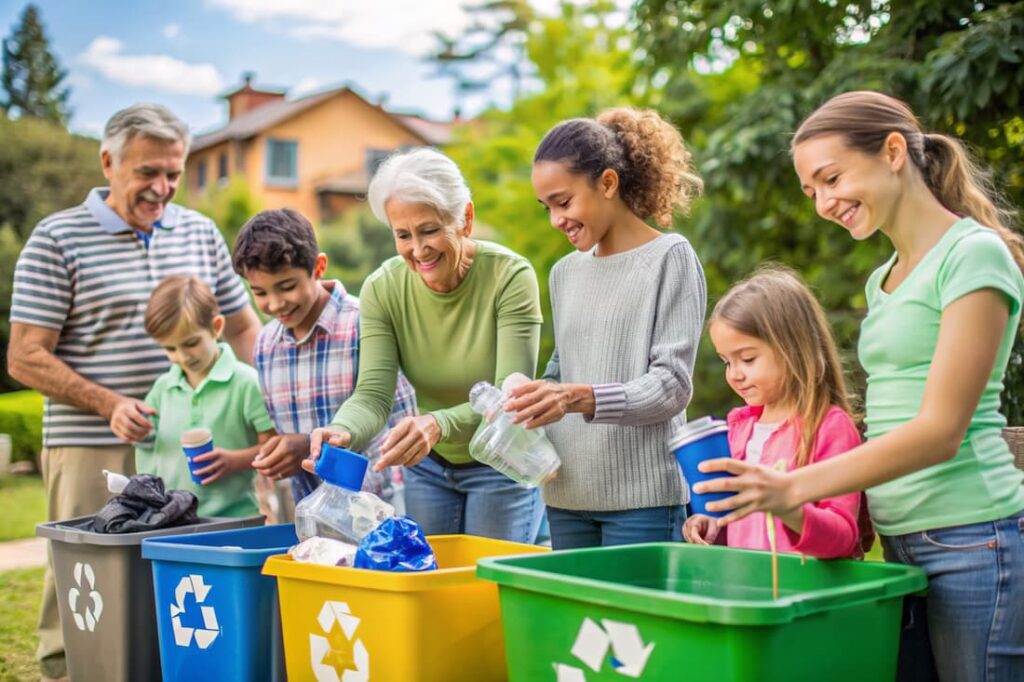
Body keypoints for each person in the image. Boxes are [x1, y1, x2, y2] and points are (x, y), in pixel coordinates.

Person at [696, 91, 1024, 680]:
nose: (824, 202)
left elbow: (940, 432)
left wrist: (791, 486)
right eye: (811, 191)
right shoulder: (885, 280)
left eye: (832, 178)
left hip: (974, 537)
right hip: (901, 541)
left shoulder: (972, 255)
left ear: (893, 151)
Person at [7, 103, 261, 681]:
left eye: (174, 172)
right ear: (108, 162)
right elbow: (24, 355)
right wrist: (109, 404)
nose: (163, 187)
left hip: (188, 446)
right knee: (84, 574)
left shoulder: (199, 231)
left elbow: (244, 328)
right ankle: (70, 671)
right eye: (148, 172)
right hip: (92, 441)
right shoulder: (57, 238)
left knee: (176, 577)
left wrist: (271, 411)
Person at [308, 147, 545, 543]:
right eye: (403, 235)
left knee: (483, 590)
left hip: (503, 462)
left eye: (430, 230)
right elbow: (372, 395)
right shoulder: (383, 288)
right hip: (429, 468)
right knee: (430, 585)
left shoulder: (510, 276)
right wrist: (342, 430)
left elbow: (511, 398)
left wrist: (438, 424)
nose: (418, 251)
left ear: (465, 219)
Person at [504, 108, 707, 549]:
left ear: (609, 183)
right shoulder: (563, 273)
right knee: (576, 622)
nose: (556, 220)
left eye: (564, 202)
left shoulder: (670, 257)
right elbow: (564, 370)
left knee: (637, 620)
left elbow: (672, 386)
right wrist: (530, 396)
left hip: (645, 502)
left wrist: (580, 397)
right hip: (566, 495)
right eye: (547, 208)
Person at [233, 208, 417, 507]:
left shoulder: (365, 324)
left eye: (287, 286)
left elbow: (401, 426)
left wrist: (309, 447)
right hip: (315, 517)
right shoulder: (266, 345)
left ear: (318, 267)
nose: (275, 303)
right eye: (259, 292)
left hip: (381, 508)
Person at [682, 267, 866, 558]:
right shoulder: (739, 429)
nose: (735, 375)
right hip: (748, 590)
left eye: (747, 359)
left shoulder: (829, 427)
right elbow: (745, 518)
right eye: (726, 362)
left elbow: (842, 537)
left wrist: (787, 506)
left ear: (793, 348)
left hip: (802, 595)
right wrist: (715, 523)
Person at [134, 275, 273, 516]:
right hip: (171, 519)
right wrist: (134, 427)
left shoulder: (246, 383)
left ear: (216, 327)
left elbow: (272, 445)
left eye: (191, 343)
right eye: (170, 348)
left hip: (234, 518)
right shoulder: (163, 387)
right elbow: (149, 441)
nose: (182, 356)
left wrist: (235, 460)